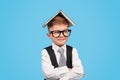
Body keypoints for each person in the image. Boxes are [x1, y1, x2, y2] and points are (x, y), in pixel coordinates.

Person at [41, 10, 84, 80]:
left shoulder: (73, 50)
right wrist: (68, 69)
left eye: (65, 31)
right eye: (56, 32)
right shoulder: (45, 52)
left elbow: (80, 72)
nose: (61, 35)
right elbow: (48, 74)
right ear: (49, 35)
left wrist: (64, 78)